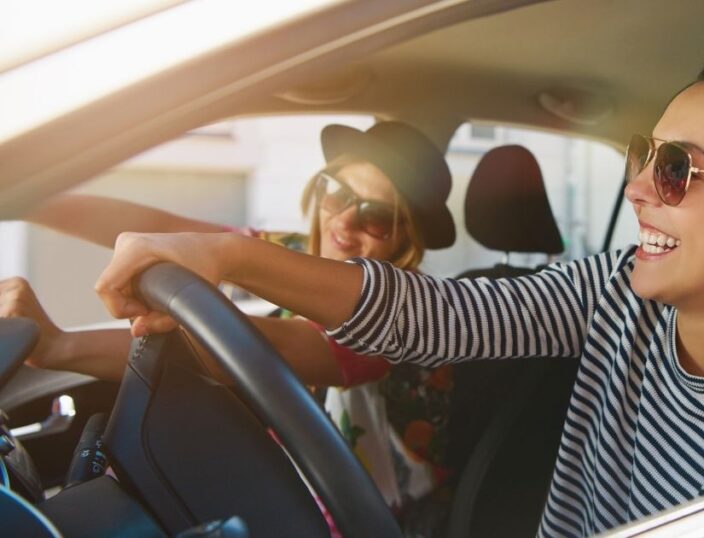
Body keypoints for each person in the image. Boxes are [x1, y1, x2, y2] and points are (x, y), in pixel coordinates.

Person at [90, 28, 704, 537]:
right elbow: (436, 318)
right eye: (642, 155)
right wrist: (227, 257)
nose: (637, 188)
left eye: (678, 169)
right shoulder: (618, 289)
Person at [0, 121, 460, 531]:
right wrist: (32, 199)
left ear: (405, 238)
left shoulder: (404, 314)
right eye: (336, 192)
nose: (342, 221)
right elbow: (164, 231)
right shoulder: (298, 250)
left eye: (375, 216)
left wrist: (60, 344)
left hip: (368, 516)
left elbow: (263, 346)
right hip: (292, 482)